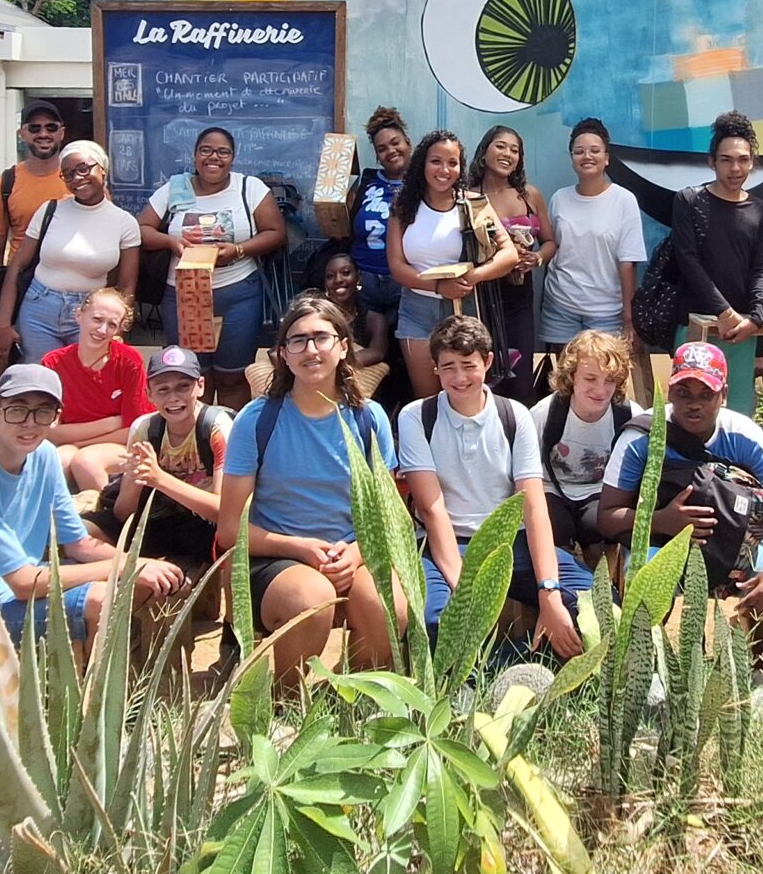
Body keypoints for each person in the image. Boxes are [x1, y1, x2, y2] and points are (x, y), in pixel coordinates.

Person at [0, 363, 185, 665]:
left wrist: (136, 563)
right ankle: (91, 706)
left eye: (43, 411)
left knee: (149, 582)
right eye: (17, 410)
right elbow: (24, 583)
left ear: (56, 419)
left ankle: (114, 689)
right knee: (101, 599)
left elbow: (79, 543)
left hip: (13, 590)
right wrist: (124, 567)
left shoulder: (45, 455)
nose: (29, 422)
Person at [215, 292, 404, 687]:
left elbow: (390, 517)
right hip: (276, 559)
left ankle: (347, 694)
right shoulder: (257, 420)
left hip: (355, 553)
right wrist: (302, 548)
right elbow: (230, 530)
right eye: (297, 340)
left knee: (391, 607)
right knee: (310, 599)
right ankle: (288, 701)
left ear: (342, 347)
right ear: (283, 354)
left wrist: (353, 554)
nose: (310, 349)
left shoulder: (370, 420)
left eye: (321, 337)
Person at [598, 341, 763, 658]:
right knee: (643, 575)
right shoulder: (641, 437)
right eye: (683, 393)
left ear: (723, 395)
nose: (693, 404)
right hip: (662, 544)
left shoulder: (745, 437)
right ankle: (647, 667)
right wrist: (664, 521)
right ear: (669, 392)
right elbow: (607, 515)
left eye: (705, 394)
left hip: (737, 547)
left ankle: (760, 670)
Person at [399, 317, 588, 656]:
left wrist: (549, 591)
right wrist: (464, 589)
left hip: (510, 544)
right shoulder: (416, 417)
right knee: (437, 622)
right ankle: (475, 680)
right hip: (449, 544)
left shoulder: (515, 416)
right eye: (448, 368)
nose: (459, 378)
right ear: (435, 369)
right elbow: (432, 507)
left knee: (592, 605)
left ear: (487, 362)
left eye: (468, 366)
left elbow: (532, 507)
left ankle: (525, 664)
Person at [138, 127, 285, 409]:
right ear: (195, 155)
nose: (213, 158)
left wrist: (239, 250)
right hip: (184, 297)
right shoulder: (175, 188)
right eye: (205, 150)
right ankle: (197, 442)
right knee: (193, 375)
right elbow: (142, 229)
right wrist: (170, 242)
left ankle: (229, 443)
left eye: (222, 152)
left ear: (233, 157)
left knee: (232, 377)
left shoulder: (249, 188)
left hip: (238, 296)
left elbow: (275, 232)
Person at [388, 129, 523, 401]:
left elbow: (509, 254)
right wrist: (439, 286)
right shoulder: (403, 206)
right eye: (436, 161)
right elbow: (397, 266)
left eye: (452, 163)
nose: (444, 170)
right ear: (422, 163)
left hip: (464, 308)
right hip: (417, 309)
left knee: (463, 394)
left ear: (461, 167)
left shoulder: (472, 204)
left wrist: (473, 277)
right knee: (426, 398)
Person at [0, 141, 142, 365]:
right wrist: (3, 325)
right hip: (39, 310)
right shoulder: (49, 210)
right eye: (68, 174)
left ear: (102, 169)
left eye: (83, 169)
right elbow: (17, 267)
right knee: (40, 381)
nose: (76, 178)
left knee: (86, 381)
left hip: (92, 315)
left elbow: (126, 286)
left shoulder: (125, 223)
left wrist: (118, 328)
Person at [103, 346, 236, 579]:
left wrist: (159, 478)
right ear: (149, 395)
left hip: (203, 524)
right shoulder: (145, 429)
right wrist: (136, 477)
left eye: (183, 387)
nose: (173, 398)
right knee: (94, 529)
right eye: (163, 390)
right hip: (161, 517)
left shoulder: (216, 427)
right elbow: (124, 514)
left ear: (201, 386)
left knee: (225, 538)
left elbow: (224, 512)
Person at [664, 111, 763, 346]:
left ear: (752, 161)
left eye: (743, 159)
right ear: (711, 162)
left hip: (741, 328)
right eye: (726, 160)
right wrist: (724, 312)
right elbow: (687, 261)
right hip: (695, 325)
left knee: (738, 385)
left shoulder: (761, 209)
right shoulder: (689, 201)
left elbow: (762, 269)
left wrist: (756, 318)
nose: (735, 168)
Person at [40, 285, 154, 500]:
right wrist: (110, 422)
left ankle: (112, 522)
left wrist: (77, 443)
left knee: (86, 461)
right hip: (73, 444)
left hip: (122, 444)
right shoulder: (53, 363)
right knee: (58, 459)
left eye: (112, 325)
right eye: (97, 319)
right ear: (79, 315)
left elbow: (134, 429)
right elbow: (50, 431)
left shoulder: (129, 361)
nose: (102, 330)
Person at [536, 328, 641, 556]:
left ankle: (602, 587)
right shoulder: (544, 413)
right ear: (572, 375)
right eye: (590, 379)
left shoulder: (631, 416)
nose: (600, 390)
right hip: (552, 488)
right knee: (553, 534)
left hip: (600, 492)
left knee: (600, 534)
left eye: (610, 381)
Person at [542, 118, 645, 349]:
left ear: (606, 158)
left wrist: (628, 317)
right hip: (561, 306)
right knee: (565, 380)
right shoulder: (559, 198)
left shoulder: (624, 200)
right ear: (572, 159)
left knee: (603, 379)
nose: (586, 156)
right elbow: (552, 246)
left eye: (594, 151)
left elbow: (628, 263)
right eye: (579, 151)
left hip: (606, 312)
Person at [471, 125, 555, 398]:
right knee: (483, 373)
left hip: (520, 298)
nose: (508, 153)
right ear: (484, 152)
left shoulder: (530, 195)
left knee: (519, 381)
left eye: (514, 149)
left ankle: (518, 433)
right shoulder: (467, 196)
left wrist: (538, 258)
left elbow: (551, 243)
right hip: (481, 298)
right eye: (500, 146)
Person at [0, 100, 71, 272]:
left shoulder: (82, 181)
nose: (43, 134)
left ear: (62, 133)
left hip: (75, 279)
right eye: (35, 128)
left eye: (51, 127)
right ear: (22, 134)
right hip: (23, 282)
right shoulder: (3, 184)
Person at [347, 107, 413, 320]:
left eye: (396, 143)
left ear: (408, 142)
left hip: (407, 284)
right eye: (382, 148)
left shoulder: (425, 184)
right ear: (376, 155)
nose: (391, 151)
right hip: (364, 283)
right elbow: (342, 229)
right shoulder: (366, 184)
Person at [320, 251, 394, 391]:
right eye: (330, 276)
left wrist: (331, 363)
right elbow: (277, 353)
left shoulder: (374, 319)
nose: (338, 280)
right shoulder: (316, 318)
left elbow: (377, 352)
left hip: (363, 389)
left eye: (346, 273)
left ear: (358, 278)